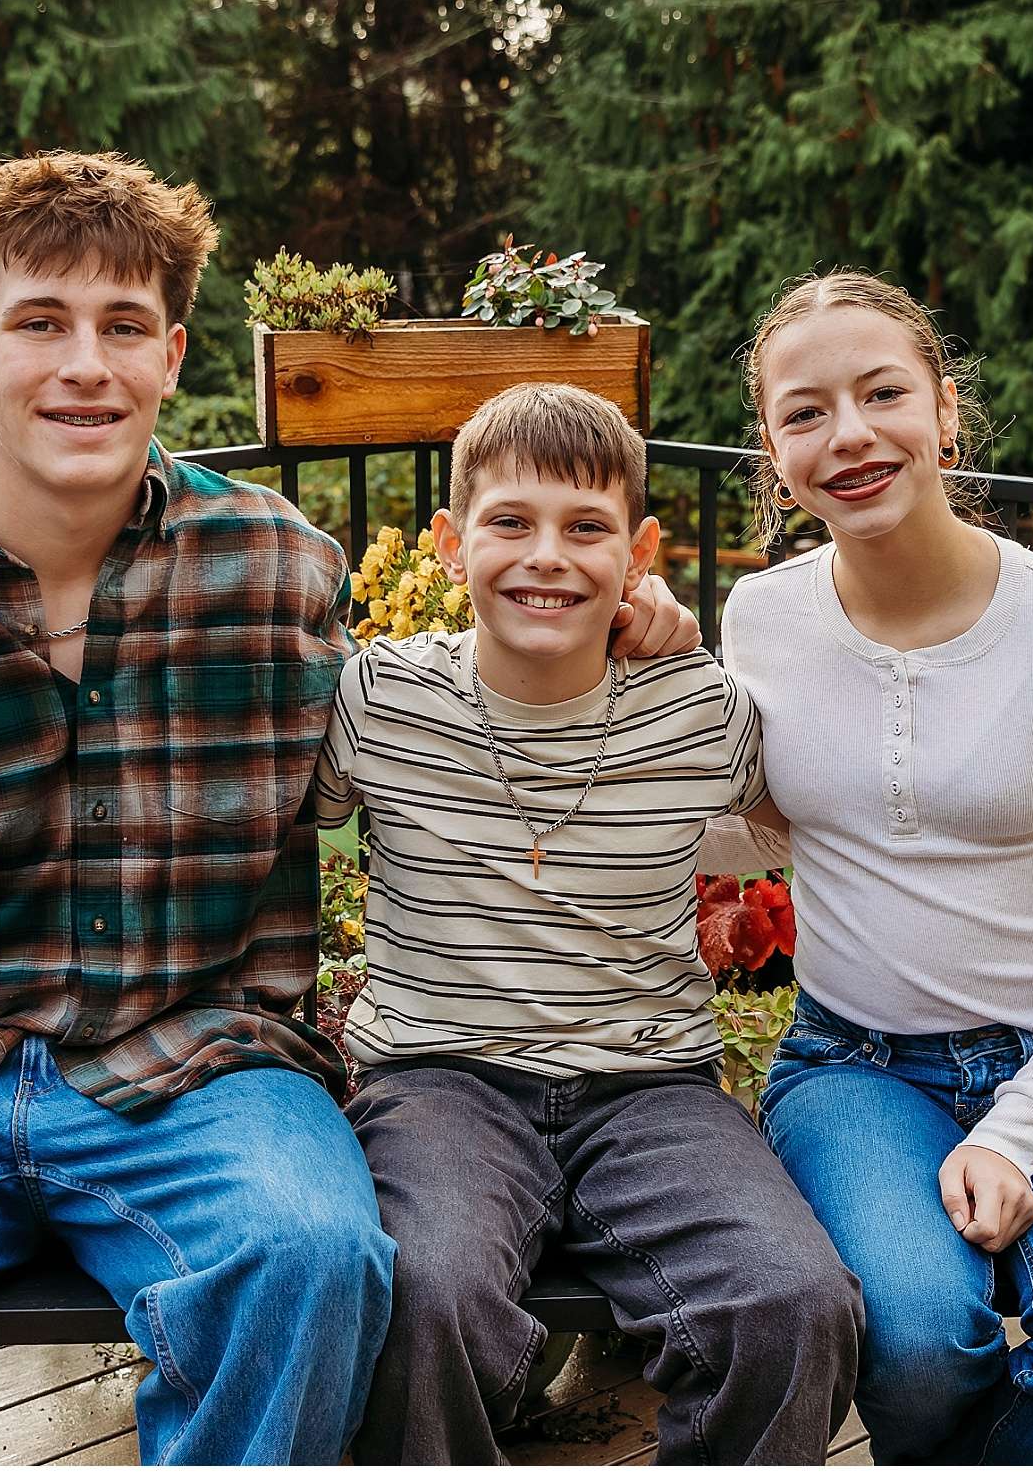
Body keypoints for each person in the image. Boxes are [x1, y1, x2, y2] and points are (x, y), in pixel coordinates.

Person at [0, 151, 700, 1465]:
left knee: (315, 1253)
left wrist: (611, 643)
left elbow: (443, 730)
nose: (84, 367)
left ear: (170, 355)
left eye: (121, 329)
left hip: (201, 1065)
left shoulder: (279, 571)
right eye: (39, 322)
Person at [307, 383, 864, 1463]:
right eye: (508, 522)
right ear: (448, 539)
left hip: (649, 1089)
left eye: (585, 528)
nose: (545, 557)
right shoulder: (379, 698)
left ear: (637, 548)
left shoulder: (699, 707)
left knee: (793, 1300)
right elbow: (257, 808)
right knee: (423, 1290)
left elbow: (838, 817)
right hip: (438, 1079)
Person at [705, 269, 1033, 1464]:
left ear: (945, 413)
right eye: (805, 411)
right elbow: (766, 827)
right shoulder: (757, 619)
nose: (850, 435)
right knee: (919, 1339)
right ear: (773, 453)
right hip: (850, 1063)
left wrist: (1015, 1127)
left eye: (882, 394)